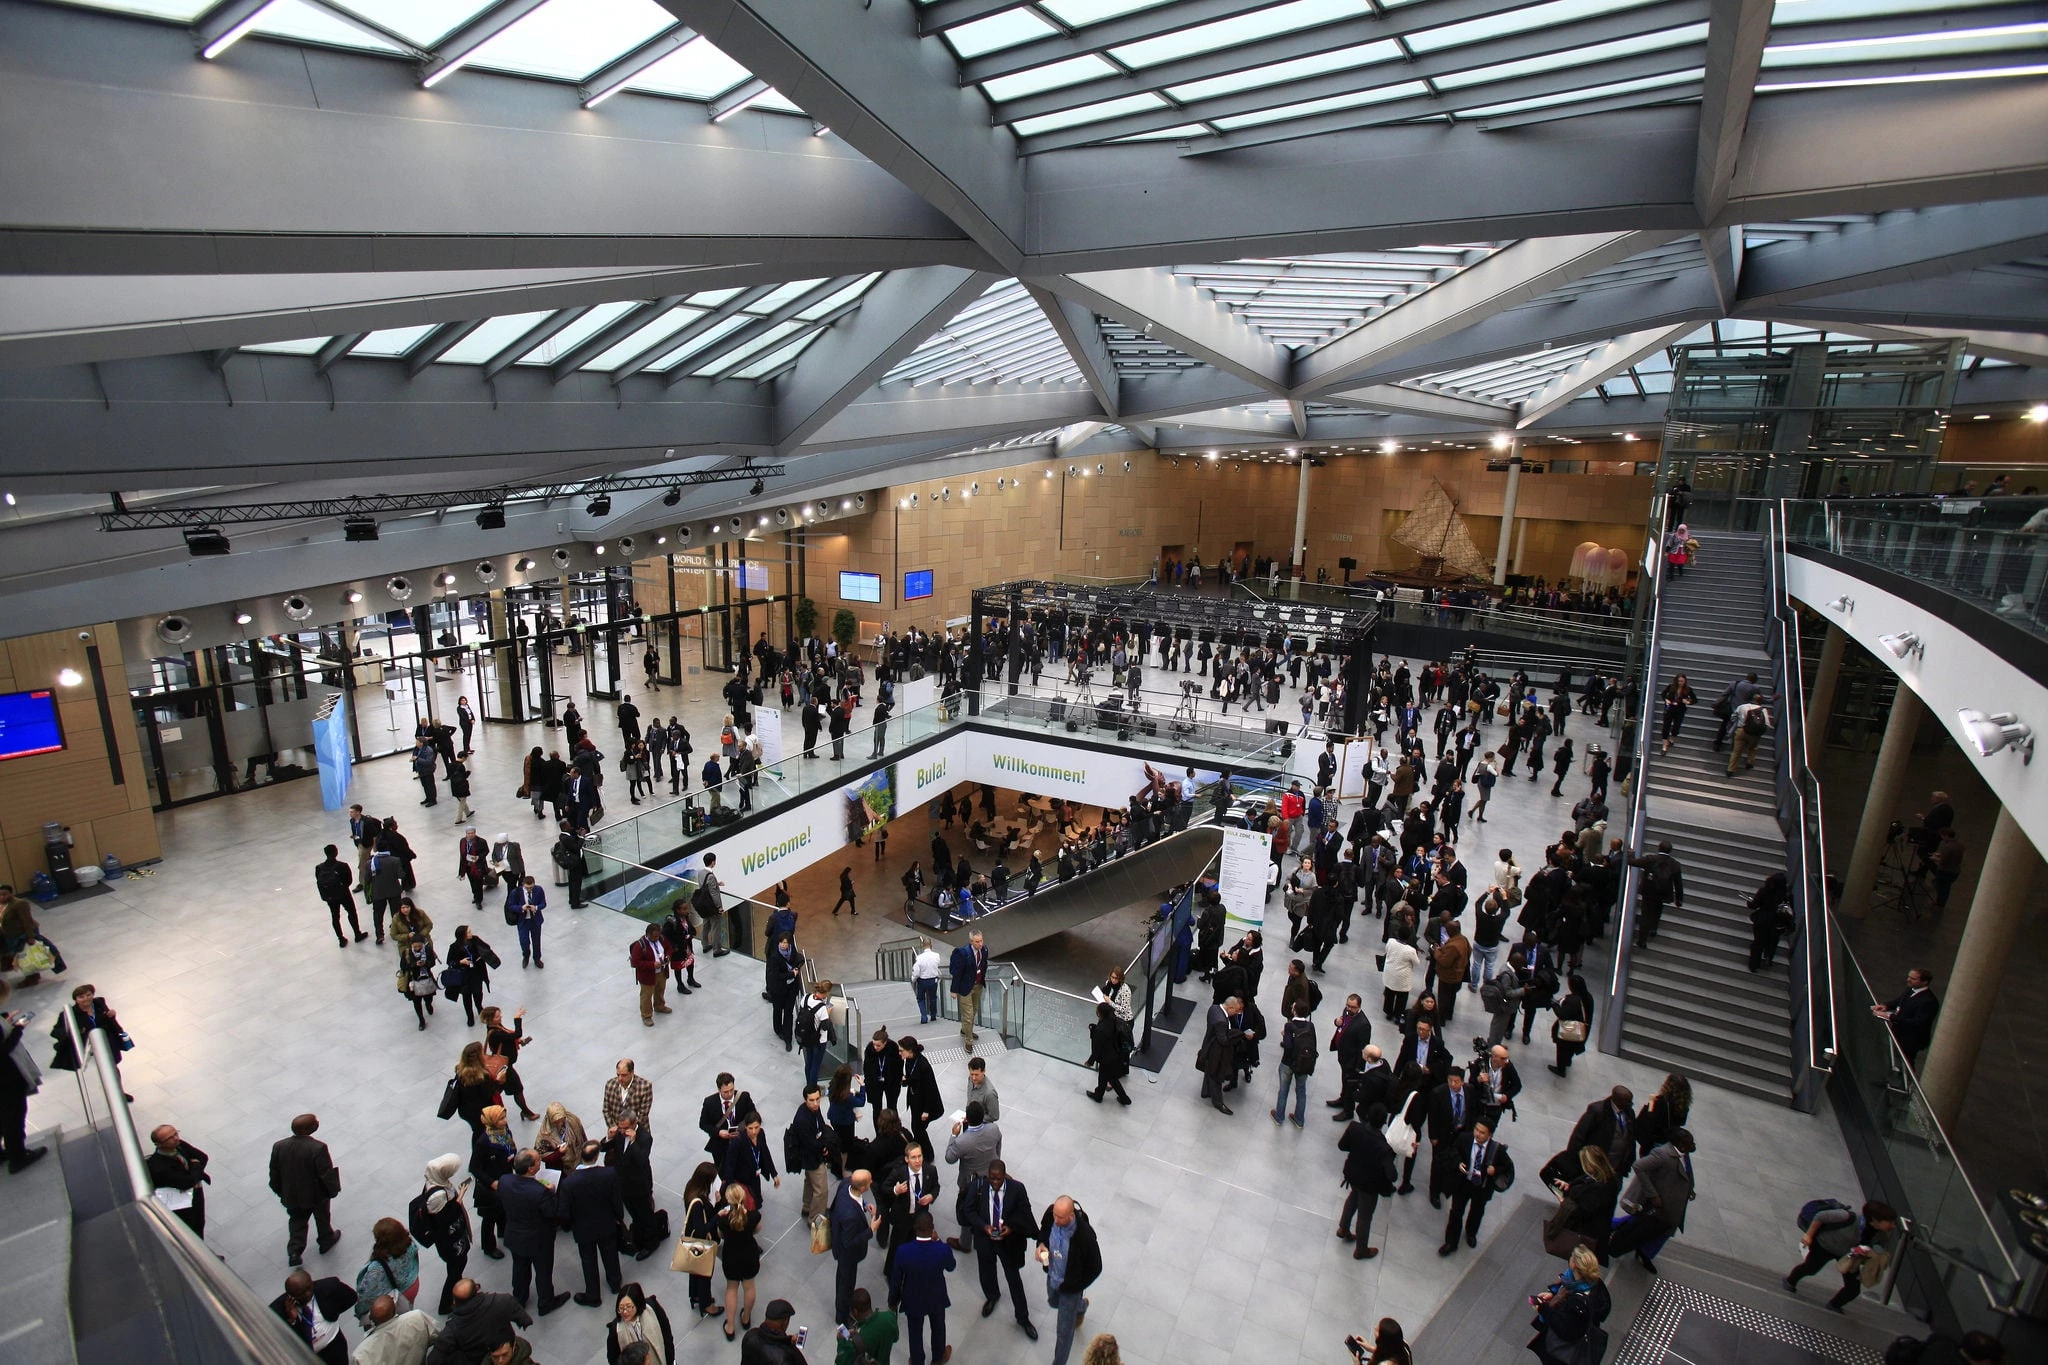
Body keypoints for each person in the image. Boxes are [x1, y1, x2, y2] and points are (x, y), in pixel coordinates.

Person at [968, 1158, 1038, 1339]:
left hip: (1007, 1242)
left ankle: (1023, 1317)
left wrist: (1012, 1228)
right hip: (985, 1238)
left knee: (1014, 1278)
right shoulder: (979, 1186)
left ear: (1005, 1176)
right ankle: (992, 1296)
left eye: (999, 1179)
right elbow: (968, 1211)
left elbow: (1025, 1213)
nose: (995, 1182)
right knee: (986, 1269)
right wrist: (984, 1227)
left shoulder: (1017, 1189)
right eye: (992, 1178)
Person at [1787, 1198, 1898, 1311]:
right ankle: (1790, 1281)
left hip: (1848, 1255)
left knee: (1853, 1289)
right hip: (1825, 1245)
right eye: (1890, 1222)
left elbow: (1878, 1247)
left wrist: (1871, 1253)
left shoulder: (1881, 1235)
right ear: (1875, 1220)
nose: (1893, 1226)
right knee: (1810, 1268)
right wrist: (1809, 1235)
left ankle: (1834, 1305)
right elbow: (1820, 1216)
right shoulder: (1848, 1217)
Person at [1610, 1127, 1696, 1272]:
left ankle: (1644, 1253)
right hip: (1661, 1206)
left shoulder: (1684, 1155)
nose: (1693, 1145)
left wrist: (1690, 1189)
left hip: (1673, 1206)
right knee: (1638, 1225)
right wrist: (1653, 1194)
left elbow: (1687, 1173)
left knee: (1661, 1231)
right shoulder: (1662, 1155)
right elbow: (1639, 1166)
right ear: (1680, 1144)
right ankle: (1612, 1234)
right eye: (1689, 1142)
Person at [496, 1149, 570, 1316]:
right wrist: (551, 1192)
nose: (540, 1163)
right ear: (530, 1168)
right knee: (543, 1271)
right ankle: (546, 1302)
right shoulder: (540, 1191)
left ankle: (519, 1298)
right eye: (537, 1161)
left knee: (519, 1268)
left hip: (515, 1235)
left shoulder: (505, 1180)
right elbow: (551, 1212)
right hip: (539, 1239)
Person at [270, 1113, 342, 1267]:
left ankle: (295, 1251)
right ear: (308, 1129)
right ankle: (326, 1239)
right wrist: (332, 1190)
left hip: (292, 1195)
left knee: (297, 1222)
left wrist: (280, 1191)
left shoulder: (279, 1146)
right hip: (316, 1195)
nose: (317, 1123)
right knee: (322, 1217)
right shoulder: (318, 1148)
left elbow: (274, 1173)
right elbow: (325, 1174)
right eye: (314, 1122)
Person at [559, 1141, 626, 1307]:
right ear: (597, 1157)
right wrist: (619, 1217)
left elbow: (564, 1211)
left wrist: (569, 1225)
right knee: (610, 1253)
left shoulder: (569, 1183)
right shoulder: (609, 1174)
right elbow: (616, 1200)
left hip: (583, 1228)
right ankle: (615, 1282)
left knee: (588, 1260)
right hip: (606, 1223)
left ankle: (593, 1295)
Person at [1036, 1196, 1101, 1365]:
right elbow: (1043, 1232)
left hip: (1070, 1288)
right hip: (1053, 1276)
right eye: (1055, 1215)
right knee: (1053, 1301)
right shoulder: (1051, 1215)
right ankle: (1080, 1306)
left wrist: (1076, 1287)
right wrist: (1041, 1245)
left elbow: (1096, 1267)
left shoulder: (1084, 1236)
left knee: (1064, 1332)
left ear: (1071, 1215)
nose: (1055, 1220)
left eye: (1060, 1217)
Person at [889, 1210, 955, 1365]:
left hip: (913, 1298)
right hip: (936, 1296)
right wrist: (938, 1240)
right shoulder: (942, 1249)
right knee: (938, 1328)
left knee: (915, 1333)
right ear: (933, 1228)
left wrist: (893, 1300)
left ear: (915, 1228)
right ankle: (938, 1358)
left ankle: (918, 1361)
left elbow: (896, 1279)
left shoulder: (903, 1251)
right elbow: (951, 1266)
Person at [1528, 1245, 1610, 1365]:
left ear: (1574, 1265)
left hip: (1565, 1355)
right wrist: (1554, 1296)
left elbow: (1565, 1329)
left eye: (1572, 1257)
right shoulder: (1593, 1283)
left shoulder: (1577, 1304)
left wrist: (1543, 1308)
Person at [1336, 1104, 1398, 1260]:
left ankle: (1343, 1228)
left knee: (1353, 1198)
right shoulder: (1383, 1147)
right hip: (1369, 1185)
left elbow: (1342, 1146)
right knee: (1364, 1217)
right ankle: (1361, 1250)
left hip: (1353, 1175)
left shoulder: (1354, 1128)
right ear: (1384, 1122)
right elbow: (1393, 1175)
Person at [414, 1152, 473, 1314]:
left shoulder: (433, 1181)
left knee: (457, 1267)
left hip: (452, 1237)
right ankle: (447, 1302)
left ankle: (458, 1290)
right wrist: (459, 1198)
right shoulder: (438, 1196)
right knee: (456, 1267)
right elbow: (445, 1218)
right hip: (450, 1241)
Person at [1438, 1118, 1506, 1256]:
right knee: (1456, 1211)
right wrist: (1458, 1163)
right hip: (1463, 1183)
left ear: (1490, 1135)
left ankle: (1471, 1233)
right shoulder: (1464, 1139)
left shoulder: (1496, 1149)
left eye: (1482, 1132)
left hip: (1481, 1187)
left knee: (1477, 1211)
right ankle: (1451, 1242)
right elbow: (1452, 1152)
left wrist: (1495, 1170)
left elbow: (1506, 1166)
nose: (1478, 1134)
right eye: (1476, 1130)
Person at [425, 1278, 533, 1365]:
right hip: (505, 1351)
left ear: (454, 1301)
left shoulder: (453, 1326)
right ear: (476, 1288)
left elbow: (434, 1359)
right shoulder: (502, 1301)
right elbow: (525, 1320)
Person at [602, 1115, 664, 1261]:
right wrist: (609, 1137)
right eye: (620, 1127)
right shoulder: (618, 1133)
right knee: (634, 1213)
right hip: (623, 1183)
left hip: (639, 1184)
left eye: (625, 1128)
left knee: (645, 1214)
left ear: (634, 1124)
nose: (622, 1131)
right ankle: (639, 1237)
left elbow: (642, 1159)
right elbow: (603, 1148)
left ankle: (651, 1243)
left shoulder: (645, 1137)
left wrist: (633, 1142)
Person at [943, 1100, 1001, 1251]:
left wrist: (953, 1136)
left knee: (967, 1209)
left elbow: (949, 1158)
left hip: (970, 1182)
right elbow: (998, 1145)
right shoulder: (994, 1129)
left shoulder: (962, 1141)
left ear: (966, 1119)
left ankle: (965, 1242)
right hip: (990, 1177)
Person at [271, 1268, 359, 1365]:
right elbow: (284, 1339)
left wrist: (333, 1312)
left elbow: (351, 1297)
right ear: (291, 1295)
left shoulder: (329, 1286)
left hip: (334, 1345)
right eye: (302, 1293)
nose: (308, 1294)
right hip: (308, 1357)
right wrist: (293, 1320)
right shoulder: (279, 1310)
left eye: (309, 1288)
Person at [830, 1167, 882, 1325]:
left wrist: (865, 1205)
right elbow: (849, 1241)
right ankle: (842, 1316)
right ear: (863, 1187)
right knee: (846, 1284)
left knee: (842, 1279)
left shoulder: (846, 1184)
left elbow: (856, 1200)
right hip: (848, 1254)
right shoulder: (850, 1215)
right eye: (869, 1181)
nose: (872, 1182)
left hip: (842, 1246)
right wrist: (871, 1230)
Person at [145, 1122, 211, 1237]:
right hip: (182, 1203)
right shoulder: (158, 1167)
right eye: (170, 1138)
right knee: (191, 1229)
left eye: (176, 1133)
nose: (176, 1138)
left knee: (200, 1223)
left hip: (196, 1193)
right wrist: (194, 1165)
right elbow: (186, 1182)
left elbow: (202, 1157)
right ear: (159, 1144)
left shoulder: (179, 1145)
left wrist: (193, 1174)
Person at [352, 1218, 421, 1324]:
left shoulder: (377, 1268)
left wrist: (359, 1311)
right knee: (408, 1309)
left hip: (398, 1296)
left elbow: (367, 1295)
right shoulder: (409, 1243)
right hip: (413, 1284)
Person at [717, 1183, 762, 1343]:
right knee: (749, 1286)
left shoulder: (722, 1220)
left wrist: (721, 1214)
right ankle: (746, 1318)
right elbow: (757, 1230)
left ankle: (730, 1326)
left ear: (728, 1201)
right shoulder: (753, 1216)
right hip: (749, 1255)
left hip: (731, 1257)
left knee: (731, 1288)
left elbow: (720, 1235)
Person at [679, 1162, 724, 1321]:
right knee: (705, 1272)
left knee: (695, 1270)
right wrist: (718, 1212)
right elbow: (702, 1228)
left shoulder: (690, 1188)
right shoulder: (698, 1202)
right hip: (702, 1242)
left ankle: (695, 1296)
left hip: (692, 1241)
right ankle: (706, 1304)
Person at [1197, 995, 1252, 1113]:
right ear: (1230, 1008)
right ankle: (1218, 1102)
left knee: (1209, 1070)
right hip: (1215, 1051)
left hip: (1208, 1044)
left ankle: (1206, 1091)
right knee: (1216, 1075)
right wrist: (1237, 1035)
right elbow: (1223, 1040)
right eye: (1236, 1011)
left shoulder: (1214, 1008)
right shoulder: (1221, 1021)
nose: (1236, 1013)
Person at [1873, 968, 1939, 1064]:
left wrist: (1891, 1017)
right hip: (1900, 1032)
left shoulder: (1928, 1001)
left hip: (1911, 1039)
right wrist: (1886, 1006)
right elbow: (1900, 1000)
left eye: (1913, 979)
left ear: (1924, 982)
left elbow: (1917, 1022)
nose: (1908, 980)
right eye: (1909, 977)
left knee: (1906, 1061)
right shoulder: (1911, 989)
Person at [352, 1293, 435, 1365]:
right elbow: (438, 1335)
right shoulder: (417, 1317)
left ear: (370, 1318)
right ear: (395, 1308)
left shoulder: (361, 1353)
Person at [1271, 998, 1317, 1127]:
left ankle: (1279, 1116)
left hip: (1288, 1063)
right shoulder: (1310, 1026)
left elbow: (1288, 1045)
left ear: (1294, 1011)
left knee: (1283, 1090)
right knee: (1301, 1091)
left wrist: (1285, 1035)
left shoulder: (1289, 1026)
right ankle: (1299, 1119)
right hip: (1304, 1063)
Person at [721, 1111, 781, 1210]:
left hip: (754, 1176)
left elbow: (765, 1153)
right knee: (746, 1205)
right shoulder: (738, 1141)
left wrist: (773, 1174)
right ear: (745, 1127)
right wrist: (732, 1187)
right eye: (750, 1128)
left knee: (756, 1202)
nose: (754, 1131)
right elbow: (729, 1166)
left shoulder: (761, 1134)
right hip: (741, 1180)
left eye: (756, 1127)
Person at [605, 1283, 674, 1365]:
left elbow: (667, 1336)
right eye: (621, 1308)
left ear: (637, 1303)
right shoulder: (616, 1329)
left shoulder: (652, 1308)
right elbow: (613, 1358)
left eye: (629, 1307)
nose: (625, 1312)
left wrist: (671, 1361)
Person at [315, 844, 368, 947]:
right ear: (336, 852)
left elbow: (318, 879)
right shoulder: (342, 866)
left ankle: (341, 939)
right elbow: (348, 881)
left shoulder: (319, 868)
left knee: (335, 917)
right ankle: (357, 933)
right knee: (351, 912)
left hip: (330, 896)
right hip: (343, 894)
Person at [1084, 1002, 1131, 1105]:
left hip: (1107, 1058)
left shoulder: (1101, 1029)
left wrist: (1090, 1061)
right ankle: (1099, 1095)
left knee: (1111, 1078)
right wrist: (1094, 1028)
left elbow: (1097, 1047)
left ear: (1100, 1013)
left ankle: (1124, 1098)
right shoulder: (1112, 1020)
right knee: (1104, 1076)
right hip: (1115, 1054)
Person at [838, 1288, 898, 1365]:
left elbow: (842, 1361)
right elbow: (895, 1338)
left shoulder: (859, 1338)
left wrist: (841, 1341)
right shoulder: (889, 1317)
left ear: (855, 1311)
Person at [1747, 871, 1793, 972]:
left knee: (1758, 943)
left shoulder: (1764, 891)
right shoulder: (1786, 896)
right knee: (1772, 942)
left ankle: (1754, 964)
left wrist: (1750, 902)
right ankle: (1768, 958)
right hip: (1777, 923)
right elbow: (1789, 910)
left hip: (1762, 921)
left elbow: (1754, 905)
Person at [740, 1298, 806, 1365]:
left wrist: (787, 1341)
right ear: (785, 1322)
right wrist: (791, 1347)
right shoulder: (785, 1357)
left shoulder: (750, 1336)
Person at [949, 932, 987, 1049]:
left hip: (978, 985)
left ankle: (965, 1029)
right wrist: (954, 990)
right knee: (968, 1014)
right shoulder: (963, 953)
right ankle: (969, 1041)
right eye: (977, 942)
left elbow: (983, 965)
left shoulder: (984, 950)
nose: (980, 944)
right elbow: (957, 972)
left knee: (974, 1010)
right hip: (965, 988)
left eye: (981, 941)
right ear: (971, 942)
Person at [630, 925, 670, 1029]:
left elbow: (669, 948)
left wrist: (668, 956)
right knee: (646, 996)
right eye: (654, 936)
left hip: (661, 971)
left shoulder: (662, 939)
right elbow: (635, 962)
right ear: (648, 934)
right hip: (648, 975)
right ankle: (646, 1015)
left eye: (658, 935)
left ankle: (659, 1006)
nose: (657, 938)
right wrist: (651, 964)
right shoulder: (640, 945)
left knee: (660, 990)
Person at [505, 874, 547, 970]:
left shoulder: (539, 890)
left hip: (535, 920)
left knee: (536, 941)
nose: (529, 890)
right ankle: (526, 955)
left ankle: (537, 958)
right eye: (527, 888)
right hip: (523, 921)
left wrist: (536, 907)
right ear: (523, 884)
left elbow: (543, 903)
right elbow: (510, 906)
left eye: (531, 887)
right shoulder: (516, 892)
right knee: (524, 941)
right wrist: (521, 908)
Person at [910, 939, 942, 1023]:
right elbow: (937, 964)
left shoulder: (919, 958)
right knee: (933, 998)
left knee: (921, 999)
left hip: (922, 981)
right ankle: (933, 1015)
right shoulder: (936, 955)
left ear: (922, 946)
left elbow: (916, 972)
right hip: (933, 980)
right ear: (931, 945)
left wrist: (913, 979)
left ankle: (924, 1016)